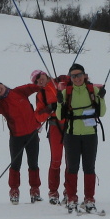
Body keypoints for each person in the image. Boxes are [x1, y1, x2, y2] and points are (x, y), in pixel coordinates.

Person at [56, 63, 106, 213]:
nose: (77, 78)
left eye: (79, 75)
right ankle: (72, 198)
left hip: (90, 134)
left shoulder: (92, 90)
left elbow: (102, 112)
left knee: (89, 167)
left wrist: (102, 99)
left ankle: (89, 199)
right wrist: (59, 102)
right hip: (71, 135)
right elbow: (59, 116)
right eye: (73, 76)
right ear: (70, 78)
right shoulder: (67, 92)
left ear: (84, 75)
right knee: (72, 167)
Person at [31, 69, 68, 205]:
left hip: (70, 124)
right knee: (56, 160)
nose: (39, 80)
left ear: (45, 74)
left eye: (39, 76)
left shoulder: (61, 81)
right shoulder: (41, 95)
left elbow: (80, 80)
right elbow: (38, 116)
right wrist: (49, 108)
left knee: (71, 160)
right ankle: (53, 192)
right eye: (36, 81)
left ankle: (68, 191)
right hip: (54, 126)